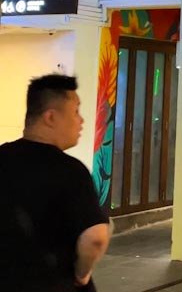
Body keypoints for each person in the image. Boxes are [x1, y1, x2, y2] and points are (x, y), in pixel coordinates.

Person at [0, 73, 110, 292]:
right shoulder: (71, 171)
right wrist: (82, 274)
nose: (81, 121)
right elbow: (95, 237)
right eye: (76, 111)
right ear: (50, 117)